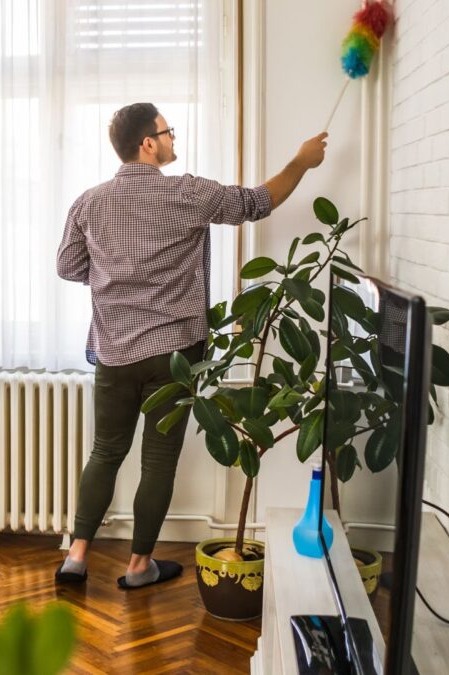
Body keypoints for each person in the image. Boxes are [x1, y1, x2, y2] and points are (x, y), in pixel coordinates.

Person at [55, 103, 327, 588]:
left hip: (115, 353)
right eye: (167, 132)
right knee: (157, 461)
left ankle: (76, 555)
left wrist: (117, 279)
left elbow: (70, 267)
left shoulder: (88, 202)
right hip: (175, 356)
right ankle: (139, 567)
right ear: (148, 144)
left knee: (105, 452)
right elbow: (259, 201)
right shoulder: (187, 193)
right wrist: (301, 163)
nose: (173, 140)